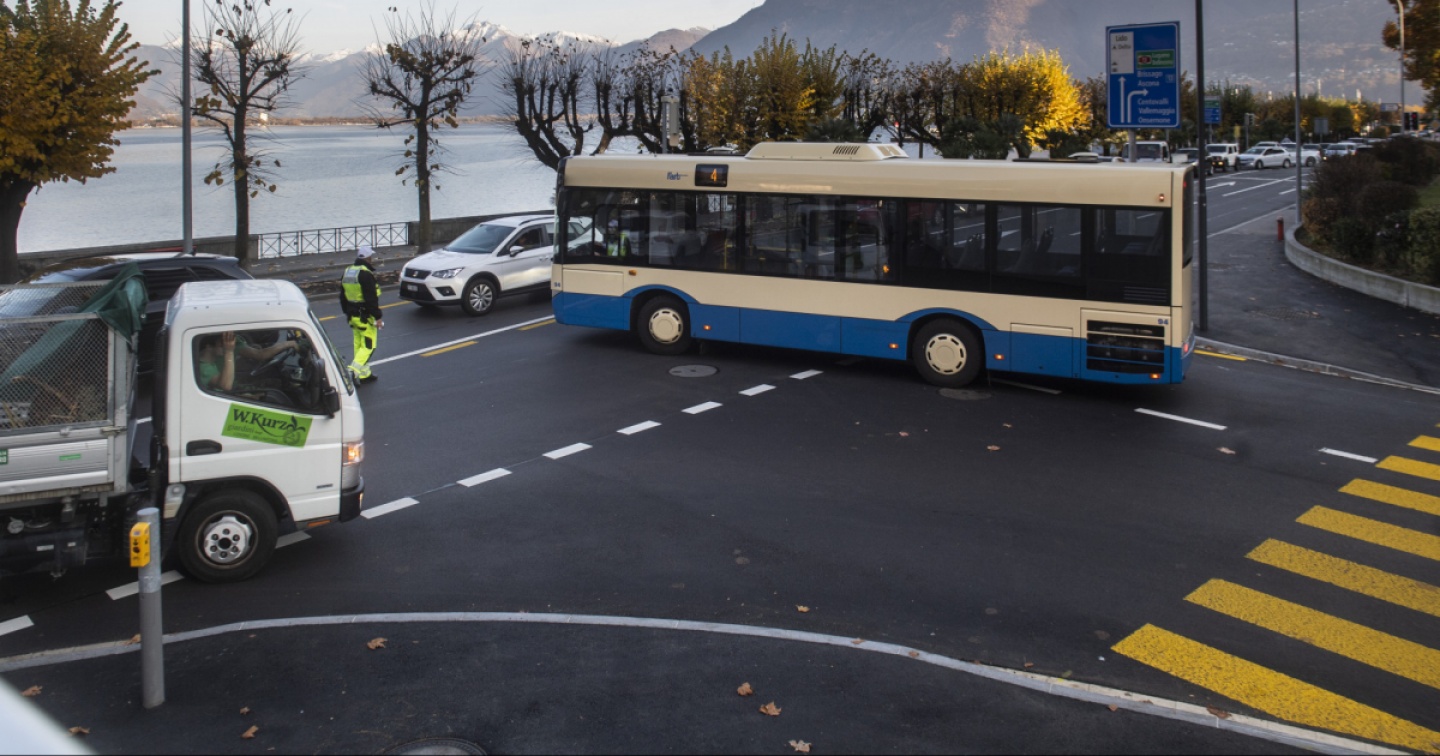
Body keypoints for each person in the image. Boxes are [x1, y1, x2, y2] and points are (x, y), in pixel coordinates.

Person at [196, 331, 298, 393]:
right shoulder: (204, 368)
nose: (226, 344)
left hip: (237, 389)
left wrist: (287, 344)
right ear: (208, 346)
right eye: (221, 343)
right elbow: (226, 386)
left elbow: (260, 354)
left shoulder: (216, 356)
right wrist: (229, 351)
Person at [340, 245, 383, 384]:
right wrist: (377, 317)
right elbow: (371, 298)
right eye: (371, 257)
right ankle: (352, 371)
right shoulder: (365, 274)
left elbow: (342, 296)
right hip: (365, 316)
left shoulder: (348, 271)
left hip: (352, 316)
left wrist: (347, 312)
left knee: (359, 345)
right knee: (369, 346)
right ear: (368, 258)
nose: (372, 260)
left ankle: (364, 373)